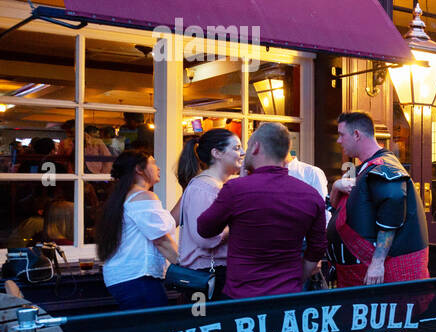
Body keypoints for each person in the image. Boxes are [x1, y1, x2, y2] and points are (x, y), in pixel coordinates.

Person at [196, 123, 326, 298]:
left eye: (248, 146)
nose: (244, 152)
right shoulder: (311, 195)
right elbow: (316, 250)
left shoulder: (236, 189)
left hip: (242, 297)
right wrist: (295, 278)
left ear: (256, 147)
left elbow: (205, 228)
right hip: (287, 295)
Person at [329, 111, 429, 285]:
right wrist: (337, 186)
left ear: (357, 134)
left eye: (341, 135)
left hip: (388, 276)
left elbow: (394, 200)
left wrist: (377, 262)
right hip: (358, 274)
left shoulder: (384, 166)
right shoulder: (366, 168)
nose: (339, 141)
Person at [96, 149, 179, 310]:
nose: (158, 168)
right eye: (153, 163)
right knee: (153, 330)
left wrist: (189, 190)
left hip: (125, 277)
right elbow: (162, 241)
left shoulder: (126, 196)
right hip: (138, 278)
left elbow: (167, 223)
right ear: (139, 169)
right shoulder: (143, 197)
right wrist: (188, 266)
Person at [174, 128, 243, 299]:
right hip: (207, 276)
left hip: (212, 273)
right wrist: (236, 226)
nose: (242, 153)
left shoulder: (209, 186)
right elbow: (205, 238)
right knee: (207, 324)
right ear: (217, 153)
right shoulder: (204, 188)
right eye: (236, 148)